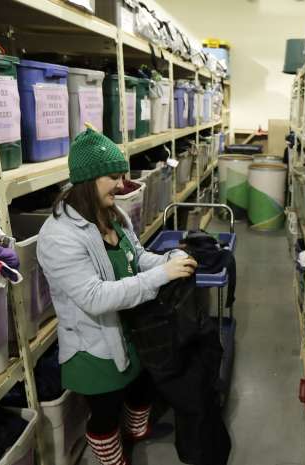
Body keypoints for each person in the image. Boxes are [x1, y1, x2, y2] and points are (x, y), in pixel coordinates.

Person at [37, 127, 197, 465]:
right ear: (88, 180)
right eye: (113, 176)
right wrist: (160, 276)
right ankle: (114, 459)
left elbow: (136, 256)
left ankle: (136, 433)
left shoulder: (113, 214)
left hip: (129, 326)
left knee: (141, 387)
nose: (122, 184)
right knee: (105, 412)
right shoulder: (58, 237)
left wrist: (170, 260)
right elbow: (94, 297)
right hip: (93, 344)